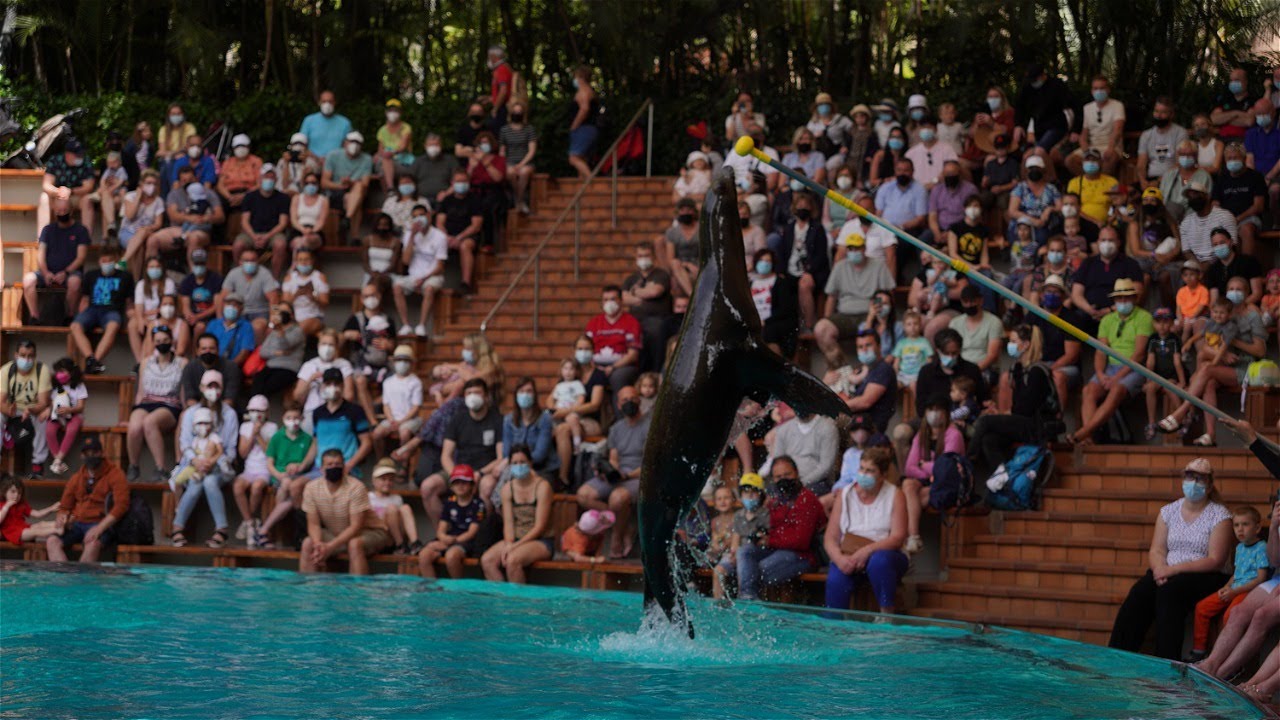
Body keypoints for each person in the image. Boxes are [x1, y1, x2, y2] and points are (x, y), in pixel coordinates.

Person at [1109, 458, 1233, 659]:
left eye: (1199, 478)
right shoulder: (1168, 511)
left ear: (1209, 485)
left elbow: (1215, 560)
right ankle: (1118, 657)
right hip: (1167, 572)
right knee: (1141, 591)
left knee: (1170, 592)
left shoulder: (1220, 515)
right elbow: (1157, 550)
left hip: (1205, 574)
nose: (1193, 482)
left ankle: (1166, 662)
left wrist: (1173, 570)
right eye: (1189, 476)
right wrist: (1159, 570)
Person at [1158, 276, 1267, 446]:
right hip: (1223, 364)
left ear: (1247, 293)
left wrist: (1233, 341)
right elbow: (1205, 345)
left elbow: (1260, 350)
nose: (1234, 293)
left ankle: (1180, 413)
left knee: (1207, 370)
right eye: (1231, 289)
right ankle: (1210, 435)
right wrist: (1222, 354)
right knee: (1208, 381)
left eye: (1239, 289)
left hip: (1245, 366)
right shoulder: (1220, 313)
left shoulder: (1253, 316)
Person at [823, 447, 908, 612]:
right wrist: (840, 559)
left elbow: (898, 537)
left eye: (870, 471)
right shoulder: (845, 494)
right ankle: (834, 629)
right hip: (850, 555)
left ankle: (887, 617)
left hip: (886, 554)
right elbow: (830, 538)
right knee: (836, 579)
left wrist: (867, 551)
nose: (863, 474)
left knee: (879, 562)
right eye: (861, 468)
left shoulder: (895, 495)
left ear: (882, 475)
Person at [1071, 279, 1152, 445]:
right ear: (1114, 300)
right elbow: (1100, 350)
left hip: (1135, 368)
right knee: (1089, 390)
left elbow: (1139, 354)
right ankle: (1088, 438)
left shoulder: (1144, 317)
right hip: (1110, 368)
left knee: (1117, 389)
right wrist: (1100, 374)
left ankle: (1084, 432)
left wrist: (1116, 378)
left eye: (1127, 297)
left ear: (1134, 298)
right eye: (1119, 298)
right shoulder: (1107, 320)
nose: (1123, 301)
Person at [736, 457, 825, 601]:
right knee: (744, 551)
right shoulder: (775, 500)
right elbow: (768, 527)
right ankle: (747, 598)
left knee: (758, 569)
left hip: (803, 555)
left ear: (796, 473)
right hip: (776, 549)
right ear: (773, 479)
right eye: (778, 477)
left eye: (787, 475)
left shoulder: (807, 499)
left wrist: (769, 540)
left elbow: (801, 541)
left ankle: (752, 603)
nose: (783, 479)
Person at [577, 385, 650, 558]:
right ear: (618, 404)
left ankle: (617, 536)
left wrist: (627, 475)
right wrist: (608, 470)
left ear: (639, 400)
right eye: (624, 400)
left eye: (632, 398)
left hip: (640, 475)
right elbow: (614, 457)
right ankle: (624, 526)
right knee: (583, 495)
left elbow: (650, 464)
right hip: (620, 474)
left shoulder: (649, 426)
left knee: (617, 498)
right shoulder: (616, 428)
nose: (629, 402)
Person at [418, 378, 503, 527]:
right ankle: (443, 533)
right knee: (427, 487)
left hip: (485, 472)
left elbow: (501, 457)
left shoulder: (497, 420)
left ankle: (481, 536)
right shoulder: (458, 419)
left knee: (488, 487)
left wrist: (480, 474)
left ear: (486, 396)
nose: (472, 396)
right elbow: (446, 455)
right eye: (469, 393)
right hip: (460, 470)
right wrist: (456, 475)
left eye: (477, 392)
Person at [1189, 505, 1269, 661]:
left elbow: (1261, 579)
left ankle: (1227, 657)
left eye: (1245, 524)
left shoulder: (1261, 548)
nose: (1240, 529)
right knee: (1202, 607)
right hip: (1233, 588)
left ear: (1257, 527)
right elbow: (1237, 574)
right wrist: (1226, 587)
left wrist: (1235, 592)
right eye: (1236, 525)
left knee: (1230, 615)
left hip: (1248, 591)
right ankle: (1199, 652)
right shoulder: (1239, 548)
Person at [170, 371, 239, 548]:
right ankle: (177, 527)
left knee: (209, 481)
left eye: (217, 386)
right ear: (201, 388)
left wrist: (212, 461)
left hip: (219, 467)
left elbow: (230, 450)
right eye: (209, 386)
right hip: (195, 466)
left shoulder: (229, 414)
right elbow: (184, 443)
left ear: (222, 389)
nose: (213, 390)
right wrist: (196, 461)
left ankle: (221, 529)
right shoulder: (191, 413)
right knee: (196, 484)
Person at [299, 449, 393, 575]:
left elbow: (356, 526)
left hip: (371, 532)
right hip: (336, 533)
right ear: (321, 469)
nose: (334, 467)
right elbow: (313, 524)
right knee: (308, 543)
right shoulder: (311, 488)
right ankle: (309, 589)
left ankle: (357, 589)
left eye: (338, 464)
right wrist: (318, 545)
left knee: (354, 544)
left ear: (344, 467)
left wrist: (330, 547)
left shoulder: (356, 487)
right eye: (330, 465)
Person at [44, 435, 127, 563]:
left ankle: (82, 580)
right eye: (86, 453)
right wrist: (62, 518)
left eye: (94, 452)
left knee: (92, 543)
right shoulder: (76, 477)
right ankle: (63, 579)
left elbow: (121, 506)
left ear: (101, 453)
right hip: (77, 523)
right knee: (52, 541)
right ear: (81, 456)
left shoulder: (115, 474)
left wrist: (99, 528)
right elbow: (65, 507)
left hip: (101, 523)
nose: (90, 456)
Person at [813, 234, 894, 365]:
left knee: (882, 329)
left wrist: (882, 316)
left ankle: (876, 371)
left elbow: (888, 294)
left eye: (857, 248)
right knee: (821, 328)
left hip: (871, 313)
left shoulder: (878, 265)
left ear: (864, 248)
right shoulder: (839, 267)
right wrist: (827, 318)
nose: (854, 252)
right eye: (851, 249)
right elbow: (831, 296)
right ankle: (842, 370)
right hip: (844, 314)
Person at [481, 445, 554, 583]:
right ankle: (502, 599)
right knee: (487, 560)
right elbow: (508, 524)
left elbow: (540, 527)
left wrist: (514, 547)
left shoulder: (543, 487)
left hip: (540, 540)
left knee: (512, 560)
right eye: (515, 463)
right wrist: (509, 543)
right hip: (515, 539)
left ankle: (519, 604)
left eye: (523, 462)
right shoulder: (507, 489)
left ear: (530, 463)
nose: (519, 466)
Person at [901, 394, 963, 553]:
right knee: (908, 484)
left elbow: (946, 468)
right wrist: (931, 472)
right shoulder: (921, 435)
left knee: (908, 501)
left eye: (938, 410)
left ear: (946, 413)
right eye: (930, 410)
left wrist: (924, 465)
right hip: (930, 480)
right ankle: (913, 537)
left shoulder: (953, 435)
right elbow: (910, 467)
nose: (934, 414)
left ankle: (905, 541)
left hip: (948, 483)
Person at [249, 405, 316, 549]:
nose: (293, 421)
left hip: (298, 479)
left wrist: (298, 467)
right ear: (283, 419)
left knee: (291, 491)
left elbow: (308, 465)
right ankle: (267, 530)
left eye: (297, 418)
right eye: (289, 418)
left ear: (302, 419)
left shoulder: (307, 439)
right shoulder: (277, 437)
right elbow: (270, 463)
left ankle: (263, 530)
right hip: (279, 478)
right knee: (286, 485)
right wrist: (279, 475)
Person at [124, 325, 186, 482]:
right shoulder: (146, 362)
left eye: (165, 340)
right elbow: (140, 391)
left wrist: (185, 413)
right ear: (153, 342)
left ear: (171, 341)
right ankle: (133, 465)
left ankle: (160, 468)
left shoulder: (182, 362)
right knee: (134, 426)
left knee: (150, 422)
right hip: (147, 402)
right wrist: (133, 411)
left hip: (170, 404)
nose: (162, 343)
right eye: (158, 340)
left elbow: (183, 392)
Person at [23, 195, 88, 325]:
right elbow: (40, 254)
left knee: (75, 282)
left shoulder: (81, 230)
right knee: (28, 280)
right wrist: (46, 272)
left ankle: (69, 316)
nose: (61, 213)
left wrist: (66, 272)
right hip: (48, 272)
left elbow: (81, 257)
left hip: (71, 273)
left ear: (71, 210)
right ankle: (34, 317)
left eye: (64, 210)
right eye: (58, 211)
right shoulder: (48, 230)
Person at [551, 337, 608, 485]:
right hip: (567, 419)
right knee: (559, 428)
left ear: (593, 351)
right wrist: (556, 409)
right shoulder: (569, 374)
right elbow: (551, 399)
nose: (583, 352)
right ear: (574, 351)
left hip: (590, 421)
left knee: (563, 429)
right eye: (580, 349)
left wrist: (566, 411)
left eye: (587, 349)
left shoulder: (598, 375)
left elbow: (594, 404)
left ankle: (563, 476)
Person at [69, 246, 134, 375]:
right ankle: (91, 359)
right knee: (75, 326)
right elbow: (85, 299)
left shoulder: (125, 276)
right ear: (99, 261)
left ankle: (96, 361)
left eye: (110, 260)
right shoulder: (91, 275)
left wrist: (130, 315)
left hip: (112, 311)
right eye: (104, 261)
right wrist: (81, 315)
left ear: (115, 260)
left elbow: (129, 301)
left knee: (113, 325)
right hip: (92, 310)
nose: (107, 263)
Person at [418, 464, 487, 578]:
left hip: (467, 542)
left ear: (472, 485)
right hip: (450, 539)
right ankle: (431, 588)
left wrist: (451, 542)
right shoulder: (449, 502)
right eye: (457, 482)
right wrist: (444, 539)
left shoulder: (478, 504)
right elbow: (441, 529)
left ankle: (455, 588)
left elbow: (472, 532)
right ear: (451, 486)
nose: (460, 486)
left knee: (451, 556)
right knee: (424, 554)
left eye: (464, 482)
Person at [1070, 226, 1143, 332]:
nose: (1107, 244)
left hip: (1118, 312)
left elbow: (1137, 293)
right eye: (1103, 240)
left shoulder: (1130, 264)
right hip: (1088, 313)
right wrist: (1090, 310)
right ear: (1098, 242)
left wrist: (1110, 310)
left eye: (1111, 240)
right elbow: (1076, 294)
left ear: (1118, 242)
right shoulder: (1087, 263)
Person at [393, 206, 448, 338]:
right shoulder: (408, 234)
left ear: (429, 215)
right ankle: (406, 325)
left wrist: (423, 279)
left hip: (433, 276)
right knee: (397, 286)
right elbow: (406, 261)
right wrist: (412, 236)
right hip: (413, 276)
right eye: (415, 216)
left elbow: (440, 266)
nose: (419, 219)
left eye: (422, 215)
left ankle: (421, 326)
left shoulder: (440, 236)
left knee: (429, 288)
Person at [309, 367, 373, 479]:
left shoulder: (355, 411)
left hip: (346, 468)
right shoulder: (317, 413)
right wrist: (301, 466)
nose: (332, 387)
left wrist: (350, 465)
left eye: (336, 384)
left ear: (343, 386)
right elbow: (315, 444)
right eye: (328, 383)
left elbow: (366, 443)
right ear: (323, 386)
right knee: (295, 486)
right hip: (320, 468)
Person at [1, 340, 52, 477]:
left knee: (43, 418)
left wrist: (30, 410)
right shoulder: (6, 370)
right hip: (12, 408)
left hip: (33, 409)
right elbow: (0, 401)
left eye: (30, 356)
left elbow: (43, 402)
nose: (27, 359)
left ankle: (37, 464)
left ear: (35, 356)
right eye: (23, 355)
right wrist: (8, 411)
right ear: (16, 355)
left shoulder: (42, 370)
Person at [231, 394, 276, 544]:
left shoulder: (272, 427)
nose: (257, 414)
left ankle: (246, 522)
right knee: (238, 486)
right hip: (249, 469)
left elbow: (271, 453)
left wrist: (259, 436)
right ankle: (250, 522)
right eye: (254, 410)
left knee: (257, 487)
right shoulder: (245, 427)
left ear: (267, 413)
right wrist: (252, 435)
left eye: (260, 411)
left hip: (265, 469)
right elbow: (243, 453)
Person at [621, 241, 673, 373]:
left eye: (646, 255)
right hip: (634, 322)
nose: (643, 259)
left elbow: (655, 291)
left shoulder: (661, 275)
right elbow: (624, 298)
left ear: (653, 257)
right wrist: (645, 293)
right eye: (640, 255)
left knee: (654, 331)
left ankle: (654, 374)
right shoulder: (631, 279)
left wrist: (634, 293)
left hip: (657, 320)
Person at [232, 164, 290, 278]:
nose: (268, 180)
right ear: (259, 179)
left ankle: (275, 279)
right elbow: (244, 221)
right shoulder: (249, 197)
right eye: (265, 177)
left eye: (271, 177)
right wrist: (254, 237)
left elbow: (283, 223)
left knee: (280, 244)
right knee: (238, 245)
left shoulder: (283, 198)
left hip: (273, 234)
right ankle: (239, 276)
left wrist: (267, 237)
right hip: (251, 233)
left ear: (276, 180)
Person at [585, 285, 643, 400]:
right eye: (605, 300)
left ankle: (620, 416)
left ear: (621, 301)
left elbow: (633, 355)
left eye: (613, 299)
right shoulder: (593, 323)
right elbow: (585, 347)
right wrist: (594, 366)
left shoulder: (631, 322)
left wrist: (612, 367)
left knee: (617, 377)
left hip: (622, 366)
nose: (609, 303)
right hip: (596, 365)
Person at [1214, 142, 1268, 259]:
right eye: (1229, 158)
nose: (1232, 161)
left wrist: (1238, 219)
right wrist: (1226, 219)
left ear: (1244, 159)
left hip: (1249, 217)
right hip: (1226, 219)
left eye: (1235, 158)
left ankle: (1245, 267)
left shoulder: (1255, 177)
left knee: (1246, 230)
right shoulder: (1222, 178)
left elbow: (1258, 206)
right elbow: (1215, 203)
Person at [1141, 308, 1188, 441]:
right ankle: (1151, 423)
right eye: (1158, 322)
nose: (1162, 325)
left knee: (1171, 388)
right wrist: (1147, 380)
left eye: (1166, 322)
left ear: (1172, 323)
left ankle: (1181, 419)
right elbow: (1150, 362)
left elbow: (1177, 362)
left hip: (1171, 376)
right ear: (1153, 324)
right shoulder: (1152, 339)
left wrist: (1182, 381)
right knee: (1150, 389)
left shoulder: (1174, 339)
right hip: (1157, 376)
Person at [37, 139, 96, 240]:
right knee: (44, 198)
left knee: (87, 200)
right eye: (77, 155)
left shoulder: (86, 162)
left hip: (76, 196)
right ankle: (41, 238)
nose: (80, 157)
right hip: (57, 196)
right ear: (68, 154)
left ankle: (86, 238)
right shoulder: (55, 160)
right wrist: (59, 192)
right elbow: (46, 185)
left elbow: (88, 187)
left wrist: (71, 191)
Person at [436, 169, 482, 294]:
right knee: (435, 243)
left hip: (467, 236)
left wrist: (459, 238)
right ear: (452, 183)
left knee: (465, 246)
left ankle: (465, 282)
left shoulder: (475, 200)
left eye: (464, 181)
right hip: (448, 236)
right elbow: (440, 222)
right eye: (458, 181)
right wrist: (447, 237)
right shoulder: (447, 200)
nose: (461, 184)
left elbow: (476, 225)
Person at [372, 345, 423, 458]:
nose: (402, 363)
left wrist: (401, 422)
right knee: (376, 434)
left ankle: (403, 465)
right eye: (399, 360)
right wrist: (391, 420)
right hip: (391, 419)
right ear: (394, 362)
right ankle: (380, 460)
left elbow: (416, 407)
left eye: (406, 360)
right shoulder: (388, 382)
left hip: (410, 419)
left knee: (404, 433)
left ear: (411, 363)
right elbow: (386, 405)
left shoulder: (415, 382)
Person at [220, 247, 280, 344]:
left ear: (258, 261)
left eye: (253, 260)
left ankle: (257, 354)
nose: (250, 263)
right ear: (240, 262)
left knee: (257, 327)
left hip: (260, 313)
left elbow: (274, 299)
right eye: (246, 260)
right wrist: (220, 318)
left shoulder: (265, 274)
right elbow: (222, 297)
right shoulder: (233, 273)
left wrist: (274, 323)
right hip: (240, 312)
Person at [322, 131, 373, 241]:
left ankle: (347, 217)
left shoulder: (367, 159)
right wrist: (341, 185)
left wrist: (350, 183)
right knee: (355, 201)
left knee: (358, 188)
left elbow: (365, 183)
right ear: (345, 143)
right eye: (351, 141)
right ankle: (354, 235)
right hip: (336, 191)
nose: (354, 145)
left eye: (357, 142)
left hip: (356, 190)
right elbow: (324, 182)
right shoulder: (333, 155)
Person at [748, 248, 800, 357]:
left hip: (773, 323)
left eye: (768, 261)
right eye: (761, 260)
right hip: (754, 322)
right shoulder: (750, 283)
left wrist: (765, 321)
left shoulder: (781, 283)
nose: (764, 264)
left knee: (768, 334)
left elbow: (785, 309)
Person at [250, 301, 307, 400]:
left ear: (292, 315)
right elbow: (263, 352)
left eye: (285, 311)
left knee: (268, 387)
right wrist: (276, 353)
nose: (282, 314)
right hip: (270, 366)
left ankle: (260, 408)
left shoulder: (298, 331)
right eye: (279, 311)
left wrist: (280, 331)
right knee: (257, 381)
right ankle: (255, 407)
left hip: (288, 369)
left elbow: (285, 345)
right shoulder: (273, 333)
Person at [126, 257, 177, 364]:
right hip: (146, 317)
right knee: (132, 324)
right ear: (146, 269)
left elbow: (166, 305)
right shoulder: (141, 284)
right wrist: (140, 319)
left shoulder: (168, 283)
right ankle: (140, 362)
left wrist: (146, 313)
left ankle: (146, 361)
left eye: (157, 266)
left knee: (151, 327)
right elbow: (138, 307)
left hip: (162, 317)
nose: (155, 269)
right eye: (152, 267)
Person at [502, 377, 556, 478]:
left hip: (542, 469)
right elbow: (506, 452)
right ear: (516, 395)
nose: (525, 394)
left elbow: (540, 455)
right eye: (521, 391)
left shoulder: (545, 419)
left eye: (529, 391)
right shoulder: (508, 420)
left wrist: (520, 462)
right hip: (515, 467)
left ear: (535, 395)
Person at [42, 358, 86, 476]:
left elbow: (81, 406)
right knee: (49, 431)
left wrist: (69, 410)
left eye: (62, 371)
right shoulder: (55, 386)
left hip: (74, 415)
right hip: (57, 415)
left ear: (71, 372)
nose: (59, 374)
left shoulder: (79, 386)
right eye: (58, 371)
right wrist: (48, 410)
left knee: (71, 430)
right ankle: (58, 461)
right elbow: (52, 402)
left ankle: (57, 460)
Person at [1015, 64, 1074, 151]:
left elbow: (1071, 105)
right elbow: (1020, 106)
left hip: (1056, 125)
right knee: (1034, 153)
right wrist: (1018, 124)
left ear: (1042, 76)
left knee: (1040, 150)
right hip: (1039, 127)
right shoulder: (1028, 87)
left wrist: (1075, 130)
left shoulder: (1056, 85)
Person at [367, 459, 421, 555]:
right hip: (380, 535)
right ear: (374, 481)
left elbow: (401, 522)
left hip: (395, 534)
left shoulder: (397, 498)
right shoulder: (369, 497)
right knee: (391, 508)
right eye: (383, 479)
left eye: (390, 479)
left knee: (406, 507)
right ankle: (399, 545)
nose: (387, 482)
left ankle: (415, 543)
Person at [1006, 155, 1061, 248]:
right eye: (1031, 168)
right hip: (1024, 222)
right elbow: (1012, 211)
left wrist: (1050, 209)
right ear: (1027, 171)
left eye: (1037, 168)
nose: (1034, 171)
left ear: (1043, 170)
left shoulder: (1051, 188)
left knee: (1043, 237)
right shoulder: (1020, 188)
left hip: (1044, 223)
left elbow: (1060, 207)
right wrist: (1033, 221)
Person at [117, 170, 167, 273]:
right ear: (141, 184)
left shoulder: (158, 201)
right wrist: (138, 198)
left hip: (146, 233)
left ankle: (124, 260)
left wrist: (147, 228)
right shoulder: (130, 196)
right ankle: (137, 281)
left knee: (143, 232)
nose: (151, 186)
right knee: (138, 248)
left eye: (154, 183)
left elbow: (158, 224)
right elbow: (130, 215)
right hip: (127, 232)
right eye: (148, 183)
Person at [946, 286, 1002, 375]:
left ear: (981, 301)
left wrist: (973, 371)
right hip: (960, 368)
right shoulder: (954, 323)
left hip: (985, 368)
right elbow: (950, 350)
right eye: (965, 302)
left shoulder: (994, 322)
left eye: (972, 301)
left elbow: (992, 355)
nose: (969, 305)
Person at [1178, 181, 1237, 265]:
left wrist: (1209, 265)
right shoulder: (1185, 222)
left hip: (1221, 262)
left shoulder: (1225, 216)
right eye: (1189, 196)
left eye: (1195, 194)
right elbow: (1187, 251)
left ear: (1207, 196)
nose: (1192, 198)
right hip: (1196, 266)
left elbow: (1233, 245)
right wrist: (1198, 266)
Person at [169, 406, 225, 492]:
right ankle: (178, 504)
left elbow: (220, 452)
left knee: (199, 483)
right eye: (200, 423)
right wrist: (195, 462)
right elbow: (190, 453)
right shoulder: (195, 440)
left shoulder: (214, 438)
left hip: (210, 467)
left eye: (206, 423)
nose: (203, 426)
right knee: (177, 481)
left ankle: (200, 474)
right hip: (195, 466)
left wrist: (210, 462)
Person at [1203, 228, 1263, 306]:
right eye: (1215, 244)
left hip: (1247, 308)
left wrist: (1239, 308)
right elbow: (1214, 299)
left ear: (1230, 242)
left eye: (1222, 242)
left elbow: (1257, 294)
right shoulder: (1212, 269)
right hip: (1224, 313)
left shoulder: (1249, 262)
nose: (1219, 246)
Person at [1137, 97, 1188, 186]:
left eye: (1163, 112)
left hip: (1173, 178)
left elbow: (1179, 163)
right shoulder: (1146, 135)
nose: (1158, 115)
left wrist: (1159, 181)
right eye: (1156, 111)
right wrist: (1142, 181)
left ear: (1171, 114)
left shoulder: (1180, 133)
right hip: (1150, 179)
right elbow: (1141, 164)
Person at [280, 248, 330, 337]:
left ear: (312, 260)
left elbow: (325, 303)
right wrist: (296, 294)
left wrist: (313, 297)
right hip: (293, 318)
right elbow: (284, 304)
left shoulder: (320, 277)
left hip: (314, 317)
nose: (303, 262)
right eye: (300, 260)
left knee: (297, 330)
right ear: (296, 261)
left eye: (306, 259)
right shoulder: (289, 278)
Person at [183, 333, 241, 408]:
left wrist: (215, 413)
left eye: (212, 348)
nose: (208, 351)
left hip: (223, 411)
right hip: (198, 411)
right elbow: (190, 399)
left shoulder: (231, 367)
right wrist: (203, 413)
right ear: (197, 351)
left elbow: (229, 399)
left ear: (218, 350)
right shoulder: (190, 367)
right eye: (204, 349)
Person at [500, 100, 538, 214]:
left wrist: (521, 164)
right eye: (515, 111)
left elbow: (532, 150)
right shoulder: (504, 130)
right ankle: (519, 200)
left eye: (519, 111)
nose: (517, 113)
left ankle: (519, 200)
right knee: (510, 173)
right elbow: (502, 150)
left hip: (525, 161)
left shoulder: (529, 129)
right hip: (509, 162)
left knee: (524, 172)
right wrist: (503, 163)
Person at [0, 477, 60, 544]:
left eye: (19, 493)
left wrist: (51, 508)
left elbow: (37, 514)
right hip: (12, 533)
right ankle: (57, 530)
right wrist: (6, 506)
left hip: (23, 527)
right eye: (13, 491)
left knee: (41, 524)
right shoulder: (2, 505)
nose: (16, 495)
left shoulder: (22, 505)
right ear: (5, 492)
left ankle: (61, 524)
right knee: (35, 531)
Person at [177, 248, 222, 338]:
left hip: (209, 317)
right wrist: (189, 316)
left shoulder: (216, 279)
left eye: (202, 263)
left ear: (206, 263)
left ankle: (196, 351)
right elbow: (185, 305)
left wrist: (198, 317)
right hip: (192, 316)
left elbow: (217, 305)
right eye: (196, 264)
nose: (199, 266)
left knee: (200, 327)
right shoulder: (187, 281)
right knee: (183, 326)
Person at [298, 90, 354, 160]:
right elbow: (302, 143)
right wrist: (316, 159)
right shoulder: (309, 120)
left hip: (336, 161)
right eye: (324, 101)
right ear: (319, 103)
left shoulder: (345, 123)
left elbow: (348, 146)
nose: (327, 104)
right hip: (312, 159)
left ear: (335, 103)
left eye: (330, 102)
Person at [567, 64, 600, 179]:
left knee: (573, 158)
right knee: (581, 159)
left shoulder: (584, 91)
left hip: (584, 128)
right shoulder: (589, 91)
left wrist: (574, 125)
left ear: (580, 77)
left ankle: (593, 181)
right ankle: (583, 189)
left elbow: (584, 109)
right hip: (588, 129)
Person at [904, 119, 958, 188]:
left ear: (936, 129)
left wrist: (934, 182)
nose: (926, 130)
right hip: (916, 190)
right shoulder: (911, 153)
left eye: (929, 127)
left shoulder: (947, 149)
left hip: (941, 189)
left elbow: (952, 169)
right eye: (923, 127)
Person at [206, 293, 255, 367]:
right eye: (228, 304)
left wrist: (229, 368)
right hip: (210, 364)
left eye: (235, 305)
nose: (231, 307)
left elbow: (244, 353)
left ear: (241, 309)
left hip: (232, 366)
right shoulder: (213, 324)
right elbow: (205, 345)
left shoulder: (246, 327)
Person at [406, 133, 459, 201]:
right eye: (430, 145)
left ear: (441, 145)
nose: (433, 147)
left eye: (436, 144)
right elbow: (408, 180)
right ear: (425, 146)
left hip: (446, 198)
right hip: (421, 199)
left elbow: (459, 180)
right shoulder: (418, 161)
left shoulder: (450, 161)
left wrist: (447, 193)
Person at [376, 99, 414, 192]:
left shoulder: (406, 128)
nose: (393, 113)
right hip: (386, 160)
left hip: (403, 161)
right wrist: (383, 154)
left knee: (383, 168)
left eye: (395, 110)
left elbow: (403, 147)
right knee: (383, 162)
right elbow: (380, 150)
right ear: (386, 112)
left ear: (400, 112)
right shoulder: (382, 130)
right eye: (390, 110)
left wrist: (391, 153)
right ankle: (390, 193)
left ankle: (389, 190)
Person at [1211, 68, 1257, 142]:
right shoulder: (1225, 99)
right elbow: (1214, 119)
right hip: (1222, 140)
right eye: (1231, 80)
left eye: (1236, 80)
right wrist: (1236, 113)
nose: (1233, 83)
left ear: (1245, 82)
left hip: (1243, 140)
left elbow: (1249, 121)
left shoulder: (1253, 100)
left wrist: (1224, 118)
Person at [289, 171, 329, 252]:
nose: (310, 185)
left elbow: (321, 221)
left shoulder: (323, 200)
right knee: (298, 242)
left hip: (315, 230)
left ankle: (297, 263)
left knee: (307, 240)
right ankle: (302, 263)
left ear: (318, 184)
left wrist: (311, 231)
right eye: (307, 183)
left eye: (313, 183)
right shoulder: (296, 198)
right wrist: (303, 229)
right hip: (298, 229)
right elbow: (293, 219)